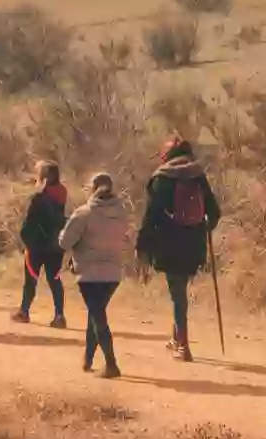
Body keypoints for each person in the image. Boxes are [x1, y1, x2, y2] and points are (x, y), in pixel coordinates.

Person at [136, 139, 222, 361]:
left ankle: (183, 346)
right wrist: (202, 229)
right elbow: (215, 212)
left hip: (169, 243)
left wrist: (143, 248)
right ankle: (176, 337)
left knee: (178, 295)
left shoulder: (161, 178)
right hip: (194, 244)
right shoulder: (197, 175)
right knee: (180, 289)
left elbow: (150, 217)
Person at [57, 172, 133, 377]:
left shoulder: (84, 213)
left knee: (98, 316)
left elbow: (64, 242)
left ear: (92, 189)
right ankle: (88, 359)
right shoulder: (122, 212)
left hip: (89, 274)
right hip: (114, 273)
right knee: (96, 312)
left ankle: (111, 363)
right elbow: (126, 238)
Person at [13, 160, 70, 326]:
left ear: (44, 177)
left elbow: (28, 224)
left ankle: (24, 311)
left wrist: (26, 241)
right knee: (55, 280)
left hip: (37, 245)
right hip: (55, 245)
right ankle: (59, 315)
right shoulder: (62, 195)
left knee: (31, 279)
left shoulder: (38, 198)